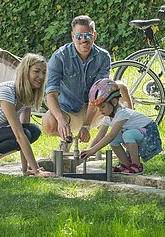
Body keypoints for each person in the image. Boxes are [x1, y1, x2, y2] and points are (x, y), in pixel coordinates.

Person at [42, 15, 113, 149]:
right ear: (72, 36)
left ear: (94, 35)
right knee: (48, 123)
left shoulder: (103, 57)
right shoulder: (60, 57)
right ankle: (66, 138)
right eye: (79, 36)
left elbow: (96, 94)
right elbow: (51, 93)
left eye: (88, 35)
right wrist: (61, 119)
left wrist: (86, 125)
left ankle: (122, 142)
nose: (83, 40)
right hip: (68, 111)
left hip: (94, 109)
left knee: (120, 90)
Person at [79, 78, 157, 174]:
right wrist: (88, 150)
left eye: (102, 106)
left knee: (127, 135)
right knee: (115, 140)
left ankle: (137, 165)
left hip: (148, 131)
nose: (100, 110)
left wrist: (93, 150)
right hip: (136, 132)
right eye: (98, 107)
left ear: (114, 102)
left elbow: (111, 135)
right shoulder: (108, 117)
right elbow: (99, 137)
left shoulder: (121, 113)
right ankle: (127, 164)